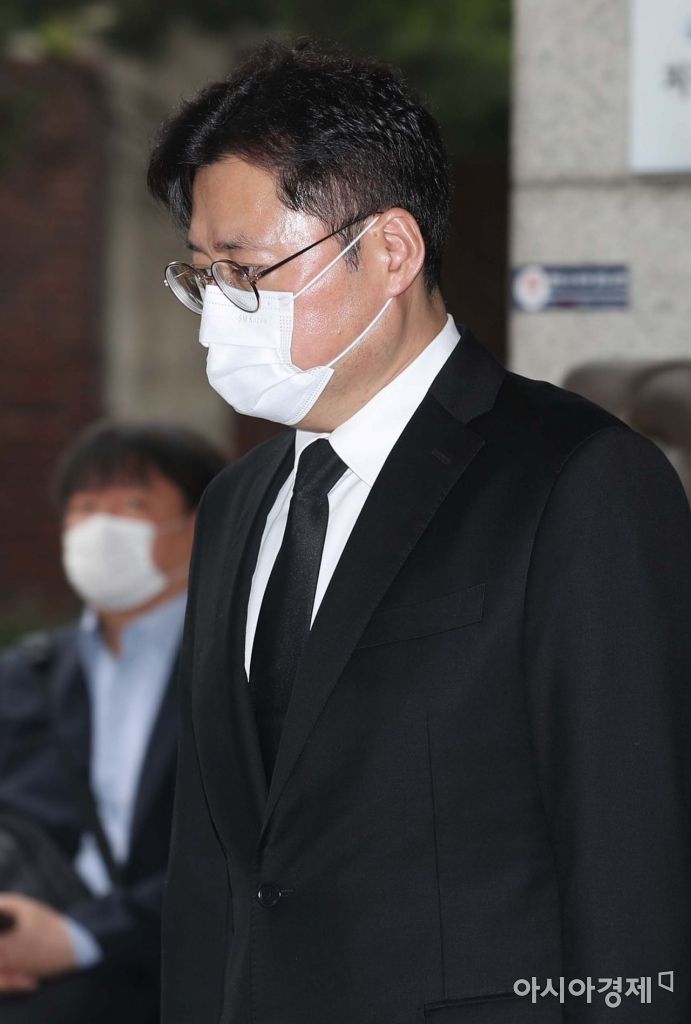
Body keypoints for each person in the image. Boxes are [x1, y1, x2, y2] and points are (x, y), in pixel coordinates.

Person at [147, 40, 691, 1024]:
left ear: (390, 252)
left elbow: (632, 862)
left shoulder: (574, 478)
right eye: (201, 276)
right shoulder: (237, 502)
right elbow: (212, 863)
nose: (218, 315)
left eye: (247, 271)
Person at [0, 421, 225, 1024]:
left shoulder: (248, 667)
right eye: (84, 508)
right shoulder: (25, 675)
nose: (100, 527)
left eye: (131, 505)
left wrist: (81, 938)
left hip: (196, 975)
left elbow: (253, 853)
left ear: (202, 524)